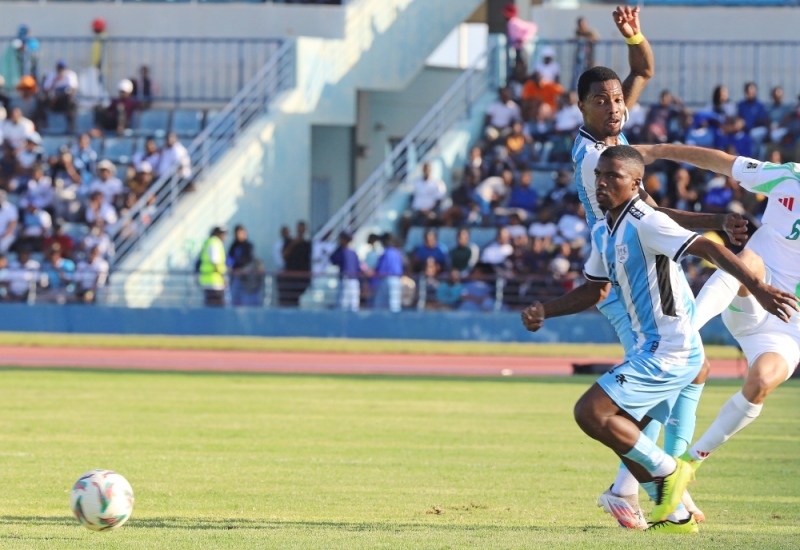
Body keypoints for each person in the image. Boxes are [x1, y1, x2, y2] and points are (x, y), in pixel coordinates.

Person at [521, 146, 796, 533]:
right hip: (658, 345)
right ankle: (674, 512)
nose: (600, 182)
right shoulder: (604, 230)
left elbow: (709, 247)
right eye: (598, 175)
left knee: (593, 413)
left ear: (636, 184)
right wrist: (544, 311)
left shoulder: (645, 221)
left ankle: (670, 473)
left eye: (611, 177)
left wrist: (758, 287)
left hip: (673, 346)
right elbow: (594, 291)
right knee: (631, 424)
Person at [571, 6, 747, 530]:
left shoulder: (612, 138)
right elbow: (651, 215)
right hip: (627, 273)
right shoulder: (595, 159)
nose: (614, 106)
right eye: (601, 101)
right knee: (663, 378)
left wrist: (634, 35)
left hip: (639, 256)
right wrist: (712, 219)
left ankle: (653, 489)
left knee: (689, 370)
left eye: (616, 99)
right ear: (581, 107)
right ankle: (646, 487)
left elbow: (644, 69)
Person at [635, 143, 800, 477]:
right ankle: (685, 332)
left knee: (761, 382)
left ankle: (687, 465)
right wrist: (655, 150)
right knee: (750, 261)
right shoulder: (788, 177)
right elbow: (720, 162)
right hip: (749, 293)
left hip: (788, 326)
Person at [38, 60, 78, 132]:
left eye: (63, 68)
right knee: (41, 99)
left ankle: (71, 125)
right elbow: (46, 90)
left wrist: (59, 96)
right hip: (53, 102)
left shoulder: (70, 75)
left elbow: (73, 89)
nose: (61, 70)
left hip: (65, 102)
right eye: (59, 68)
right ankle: (43, 123)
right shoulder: (52, 76)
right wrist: (55, 80)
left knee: (71, 101)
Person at [228, 224, 261, 307]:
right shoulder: (233, 246)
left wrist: (241, 271)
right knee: (235, 301)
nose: (239, 235)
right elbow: (230, 260)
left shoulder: (249, 246)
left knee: (247, 303)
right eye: (237, 233)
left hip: (247, 280)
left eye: (241, 233)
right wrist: (231, 268)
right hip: (235, 278)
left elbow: (250, 262)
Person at [280, 221, 311, 306]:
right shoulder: (289, 242)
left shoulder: (307, 245)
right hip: (290, 279)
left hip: (301, 280)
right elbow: (284, 255)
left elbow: (308, 261)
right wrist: (293, 244)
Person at [330, 231, 361, 312]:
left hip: (348, 280)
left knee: (347, 304)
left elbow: (333, 259)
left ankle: (346, 323)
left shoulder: (345, 251)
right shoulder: (351, 252)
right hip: (352, 281)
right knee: (347, 305)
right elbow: (333, 260)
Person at [373, 233, 404, 312]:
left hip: (386, 280)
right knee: (394, 305)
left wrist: (373, 284)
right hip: (396, 280)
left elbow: (381, 270)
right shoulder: (398, 253)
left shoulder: (386, 253)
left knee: (380, 305)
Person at [198, 226, 228, 306]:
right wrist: (223, 278)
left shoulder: (210, 242)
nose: (224, 236)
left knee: (210, 306)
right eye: (222, 234)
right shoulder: (214, 243)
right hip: (214, 282)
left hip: (210, 281)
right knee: (217, 307)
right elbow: (215, 262)